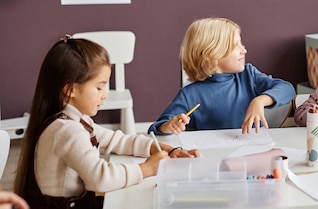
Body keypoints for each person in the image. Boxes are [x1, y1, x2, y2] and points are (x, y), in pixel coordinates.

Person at [13, 36, 199, 209]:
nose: (105, 94)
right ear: (70, 89)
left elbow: (119, 141)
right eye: (99, 86)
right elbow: (100, 178)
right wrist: (146, 168)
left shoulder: (78, 121)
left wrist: (169, 150)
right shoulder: (67, 130)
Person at [149, 17, 295, 135]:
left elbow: (288, 89)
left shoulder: (248, 75)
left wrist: (259, 101)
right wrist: (170, 126)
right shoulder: (189, 95)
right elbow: (156, 129)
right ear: (213, 54)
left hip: (254, 151)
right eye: (236, 45)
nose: (244, 50)